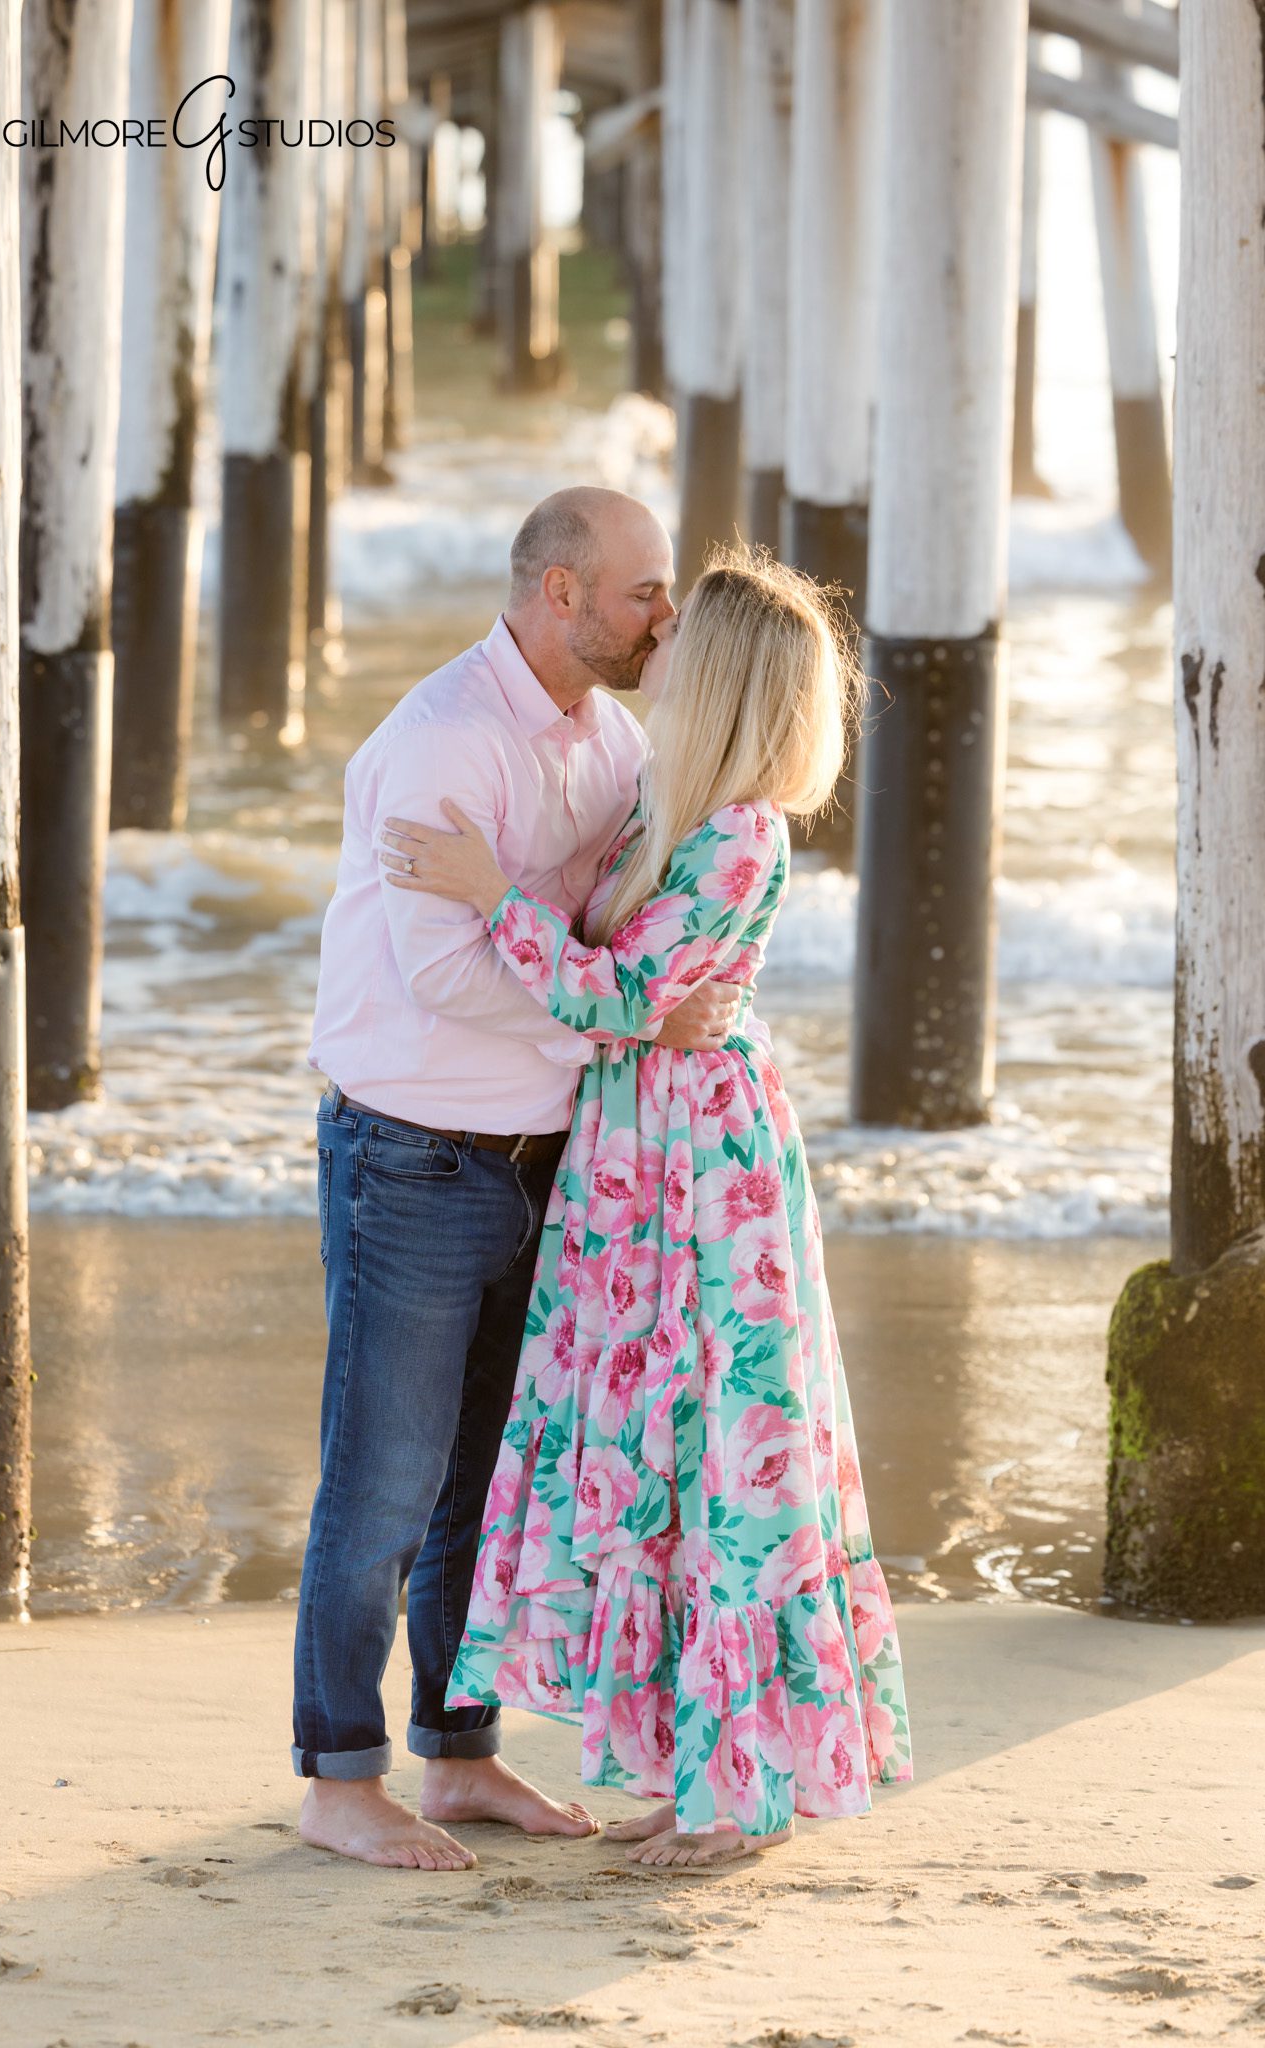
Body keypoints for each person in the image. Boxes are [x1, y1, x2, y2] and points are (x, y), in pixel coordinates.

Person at [378, 550, 912, 1868]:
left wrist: (483, 894)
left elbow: (612, 997)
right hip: (636, 1161)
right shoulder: (662, 809)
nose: (655, 633)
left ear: (721, 675)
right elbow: (620, 991)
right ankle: (695, 1769)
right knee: (664, 1450)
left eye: (680, 626)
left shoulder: (739, 837)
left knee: (729, 1452)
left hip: (702, 1168)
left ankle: (745, 1794)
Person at [296, 488, 742, 1871]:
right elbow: (444, 972)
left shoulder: (606, 738)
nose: (664, 615)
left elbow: (627, 923)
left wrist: (660, 996)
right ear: (557, 593)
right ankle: (336, 1777)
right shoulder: (439, 741)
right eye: (641, 592)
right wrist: (625, 1018)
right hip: (412, 1158)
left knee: (484, 1487)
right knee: (380, 1481)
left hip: (543, 1157)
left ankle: (461, 1754)